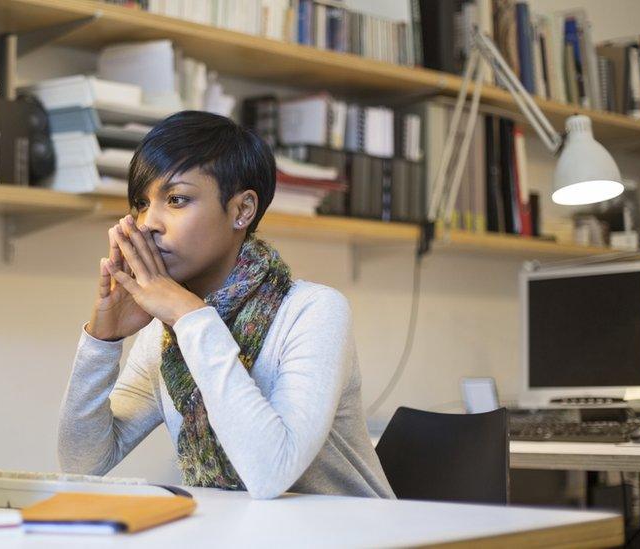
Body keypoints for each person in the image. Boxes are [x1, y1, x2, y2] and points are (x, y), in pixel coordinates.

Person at [57, 111, 393, 499]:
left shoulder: (314, 311)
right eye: (141, 203)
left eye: (177, 199)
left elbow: (271, 473)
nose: (148, 222)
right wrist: (103, 339)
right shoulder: (165, 335)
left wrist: (191, 316)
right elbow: (82, 463)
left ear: (242, 210)